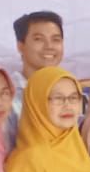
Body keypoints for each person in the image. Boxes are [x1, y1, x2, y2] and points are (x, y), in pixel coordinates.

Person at [7, 10, 65, 142]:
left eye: (56, 39)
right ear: (20, 46)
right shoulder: (7, 94)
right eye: (39, 39)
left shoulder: (71, 91)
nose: (49, 46)